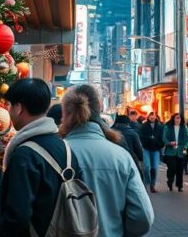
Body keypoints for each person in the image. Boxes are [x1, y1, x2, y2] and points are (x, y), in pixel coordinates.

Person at [59, 85, 154, 236]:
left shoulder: (53, 154)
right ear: (100, 108)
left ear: (64, 113)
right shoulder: (121, 157)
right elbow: (143, 217)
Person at [0, 78, 79, 237]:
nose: (9, 111)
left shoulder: (24, 155)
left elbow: (16, 216)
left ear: (19, 108)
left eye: (10, 105)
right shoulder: (65, 148)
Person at [162, 113, 188, 192]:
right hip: (170, 151)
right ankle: (170, 181)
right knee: (172, 168)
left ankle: (179, 185)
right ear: (173, 119)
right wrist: (169, 143)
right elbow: (164, 138)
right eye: (176, 118)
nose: (178, 120)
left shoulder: (184, 128)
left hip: (181, 151)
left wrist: (185, 146)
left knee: (180, 169)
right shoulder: (167, 127)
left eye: (179, 118)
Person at [139, 112, 165, 192]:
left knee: (154, 168)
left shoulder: (160, 127)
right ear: (148, 117)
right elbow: (141, 137)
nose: (152, 117)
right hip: (146, 148)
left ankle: (152, 185)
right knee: (146, 167)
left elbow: (162, 138)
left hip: (156, 149)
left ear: (156, 117)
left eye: (154, 116)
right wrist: (149, 139)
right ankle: (148, 182)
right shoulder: (143, 126)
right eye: (151, 116)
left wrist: (159, 145)